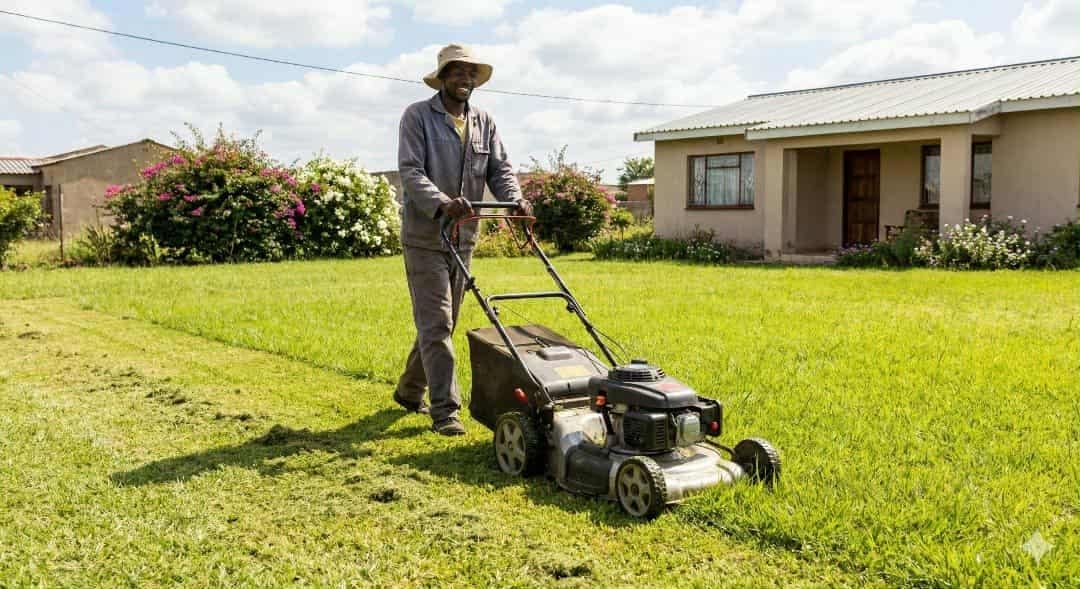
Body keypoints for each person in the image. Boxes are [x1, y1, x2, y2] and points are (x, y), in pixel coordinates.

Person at [394, 43, 531, 436]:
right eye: (457, 72)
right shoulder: (418, 116)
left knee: (443, 324)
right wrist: (441, 202)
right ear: (442, 76)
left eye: (471, 73)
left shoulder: (484, 121)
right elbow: (410, 171)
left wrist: (515, 200)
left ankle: (409, 391)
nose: (465, 79)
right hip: (425, 237)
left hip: (464, 238)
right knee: (436, 323)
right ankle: (445, 411)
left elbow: (500, 169)